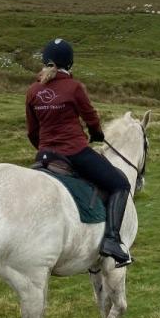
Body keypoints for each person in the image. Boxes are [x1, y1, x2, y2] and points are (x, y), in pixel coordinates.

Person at [26, 38, 133, 266]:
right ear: (70, 63)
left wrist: (45, 149)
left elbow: (32, 132)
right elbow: (91, 117)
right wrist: (96, 134)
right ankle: (112, 240)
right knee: (120, 184)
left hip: (44, 155)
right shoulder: (73, 87)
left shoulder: (33, 90)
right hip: (74, 152)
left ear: (45, 61)